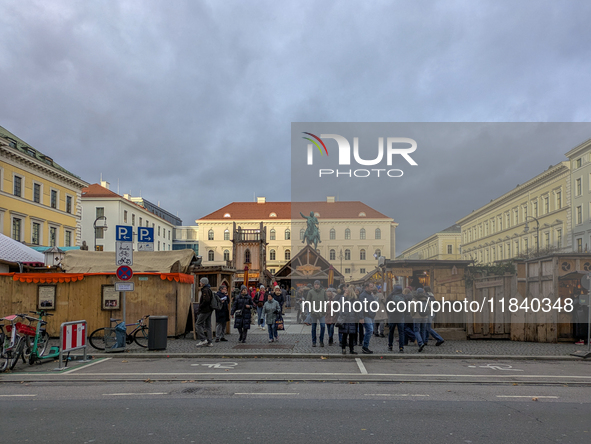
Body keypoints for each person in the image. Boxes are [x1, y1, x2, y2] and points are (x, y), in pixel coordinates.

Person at [339, 286, 364, 355]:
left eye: (346, 291)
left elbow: (359, 309)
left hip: (353, 319)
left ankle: (351, 349)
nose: (345, 292)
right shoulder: (344, 298)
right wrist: (343, 297)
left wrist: (360, 317)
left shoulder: (355, 299)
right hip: (345, 319)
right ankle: (343, 348)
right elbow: (340, 304)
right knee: (344, 334)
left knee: (352, 335)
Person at [307, 280, 327, 347]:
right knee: (313, 328)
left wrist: (325, 309)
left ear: (319, 285)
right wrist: (311, 310)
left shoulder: (323, 291)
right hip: (313, 313)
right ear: (313, 285)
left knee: (323, 326)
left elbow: (326, 301)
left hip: (322, 312)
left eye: (317, 284)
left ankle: (321, 340)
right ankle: (314, 341)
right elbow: (308, 302)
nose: (316, 285)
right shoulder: (311, 292)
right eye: (315, 284)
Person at [386, 285, 406, 352]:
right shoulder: (403, 296)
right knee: (401, 332)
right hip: (400, 316)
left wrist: (389, 313)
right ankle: (401, 347)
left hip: (392, 316)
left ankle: (390, 346)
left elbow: (387, 305)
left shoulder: (390, 296)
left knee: (391, 331)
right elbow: (406, 306)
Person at [196, 277, 214, 347]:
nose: (200, 283)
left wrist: (200, 307)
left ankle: (203, 339)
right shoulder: (209, 289)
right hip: (209, 310)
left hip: (205, 310)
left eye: (200, 282)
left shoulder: (205, 290)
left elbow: (206, 301)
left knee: (198, 324)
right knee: (208, 325)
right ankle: (209, 342)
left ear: (203, 283)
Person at [358, 281, 376, 354]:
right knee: (370, 330)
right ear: (366, 287)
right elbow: (361, 307)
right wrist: (361, 317)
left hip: (371, 315)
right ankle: (365, 347)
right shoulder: (363, 295)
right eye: (371, 287)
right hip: (366, 315)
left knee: (370, 331)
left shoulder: (370, 294)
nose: (372, 289)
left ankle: (365, 346)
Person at [412, 288, 429, 352]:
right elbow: (430, 307)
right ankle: (423, 342)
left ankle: (420, 343)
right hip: (425, 317)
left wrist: (413, 315)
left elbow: (412, 308)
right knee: (423, 330)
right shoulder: (426, 298)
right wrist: (427, 314)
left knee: (416, 330)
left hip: (417, 316)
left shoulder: (415, 298)